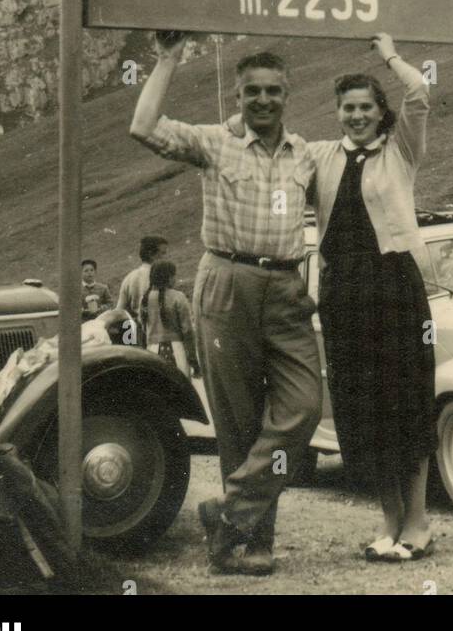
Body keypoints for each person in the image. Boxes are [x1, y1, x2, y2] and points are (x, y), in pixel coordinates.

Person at [130, 31, 321, 577]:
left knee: (302, 406)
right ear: (237, 96)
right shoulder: (214, 142)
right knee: (238, 423)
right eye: (252, 91)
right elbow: (143, 127)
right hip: (226, 282)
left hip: (286, 289)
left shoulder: (305, 152)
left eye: (274, 91)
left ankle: (227, 512)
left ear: (288, 94)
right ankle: (247, 543)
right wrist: (168, 59)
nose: (263, 100)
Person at [308, 32, 436, 564]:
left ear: (382, 112)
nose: (357, 115)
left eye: (366, 107)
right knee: (364, 409)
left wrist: (388, 53)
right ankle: (388, 521)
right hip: (342, 293)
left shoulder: (401, 150)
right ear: (337, 113)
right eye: (348, 108)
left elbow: (422, 90)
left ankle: (419, 522)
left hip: (394, 287)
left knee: (406, 401)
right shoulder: (319, 155)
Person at [141, 260, 200, 378]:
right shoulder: (178, 297)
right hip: (177, 352)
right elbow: (187, 330)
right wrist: (193, 360)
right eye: (174, 275)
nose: (175, 279)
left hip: (152, 352)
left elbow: (143, 329)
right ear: (168, 277)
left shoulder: (145, 299)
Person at [117, 235, 168, 337]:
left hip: (132, 333)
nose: (166, 258)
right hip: (155, 333)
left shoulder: (129, 277)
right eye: (163, 253)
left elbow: (119, 311)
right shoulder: (160, 276)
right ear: (151, 254)